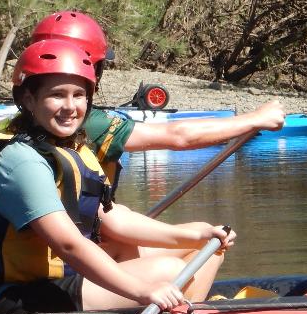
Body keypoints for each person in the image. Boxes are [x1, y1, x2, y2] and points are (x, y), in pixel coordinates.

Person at [0, 38, 235, 314]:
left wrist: (195, 234)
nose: (70, 106)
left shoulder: (72, 149)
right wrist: (141, 290)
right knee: (170, 272)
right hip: (10, 295)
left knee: (202, 250)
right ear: (28, 98)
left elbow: (114, 219)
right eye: (57, 94)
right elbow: (68, 244)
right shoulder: (21, 161)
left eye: (79, 95)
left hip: (55, 281)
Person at [29, 11, 288, 185]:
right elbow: (178, 136)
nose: (70, 105)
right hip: (73, 258)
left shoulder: (25, 121)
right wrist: (256, 119)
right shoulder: (89, 124)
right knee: (206, 250)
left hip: (73, 243)